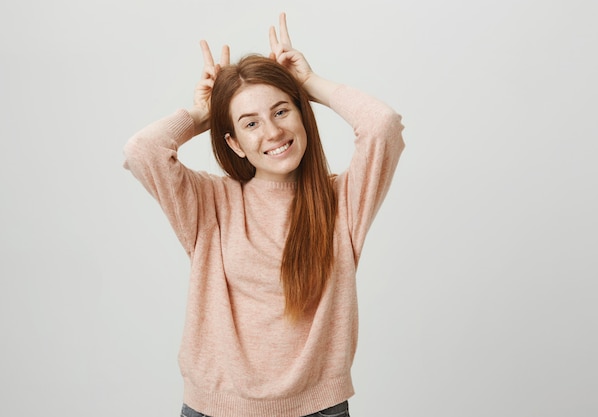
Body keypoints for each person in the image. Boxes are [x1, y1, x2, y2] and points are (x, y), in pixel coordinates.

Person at [123, 12, 404, 417]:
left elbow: (383, 126)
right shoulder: (210, 204)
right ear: (235, 144)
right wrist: (204, 113)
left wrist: (310, 84)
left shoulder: (342, 201)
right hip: (215, 409)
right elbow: (142, 150)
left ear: (302, 114)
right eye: (250, 123)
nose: (272, 132)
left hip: (318, 408)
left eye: (281, 111)